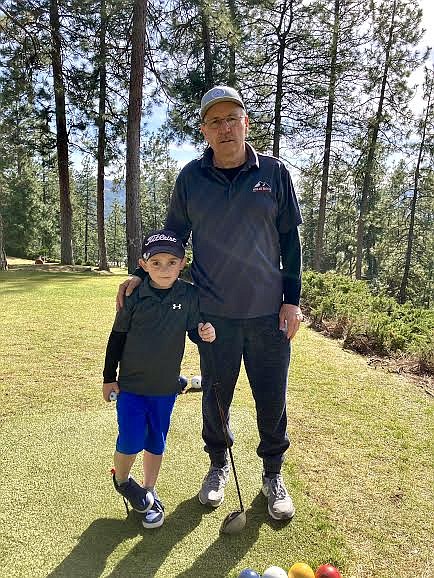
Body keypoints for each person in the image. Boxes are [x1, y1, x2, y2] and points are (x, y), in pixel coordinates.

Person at [117, 86, 303, 521]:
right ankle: (218, 465)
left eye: (231, 119)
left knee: (271, 399)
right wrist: (143, 274)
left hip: (267, 316)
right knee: (216, 398)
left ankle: (273, 473)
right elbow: (172, 239)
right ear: (204, 130)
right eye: (214, 122)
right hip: (212, 316)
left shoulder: (275, 173)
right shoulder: (191, 178)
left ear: (246, 123)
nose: (224, 128)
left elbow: (291, 240)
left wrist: (291, 301)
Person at [104, 229, 216, 529]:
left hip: (165, 387)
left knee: (156, 440)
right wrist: (108, 378)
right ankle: (123, 479)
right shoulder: (133, 294)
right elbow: (117, 337)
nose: (164, 269)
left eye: (171, 262)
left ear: (183, 263)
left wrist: (206, 333)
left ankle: (149, 490)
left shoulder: (190, 295)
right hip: (131, 385)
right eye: (156, 263)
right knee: (130, 439)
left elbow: (195, 331)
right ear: (143, 263)